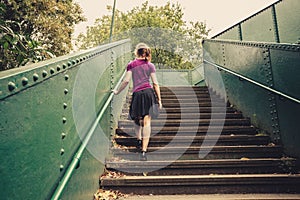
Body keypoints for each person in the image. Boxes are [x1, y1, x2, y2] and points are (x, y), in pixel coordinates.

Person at [113, 43, 162, 161]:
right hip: (149, 93)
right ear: (146, 53)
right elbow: (155, 83)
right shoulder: (150, 65)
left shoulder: (131, 65)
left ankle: (139, 139)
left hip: (137, 94)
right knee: (147, 122)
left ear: (136, 52)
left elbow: (126, 81)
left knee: (136, 117)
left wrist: (117, 91)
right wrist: (159, 99)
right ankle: (144, 151)